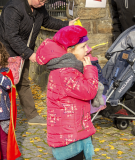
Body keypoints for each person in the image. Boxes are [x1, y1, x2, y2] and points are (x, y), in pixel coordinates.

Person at [0, 0, 78, 125]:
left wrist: (67, 24)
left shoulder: (39, 8)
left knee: (23, 82)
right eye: (41, 0)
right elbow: (11, 36)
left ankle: (32, 115)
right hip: (3, 53)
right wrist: (29, 53)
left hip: (22, 52)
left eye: (45, 1)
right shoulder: (14, 7)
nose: (42, 3)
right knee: (1, 85)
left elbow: (47, 21)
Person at [36, 25, 98, 160]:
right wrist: (89, 69)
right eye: (83, 47)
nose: (88, 50)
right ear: (70, 50)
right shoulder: (66, 73)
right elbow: (89, 91)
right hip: (70, 139)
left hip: (73, 133)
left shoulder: (68, 69)